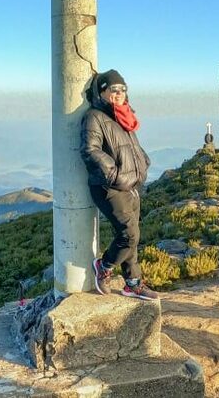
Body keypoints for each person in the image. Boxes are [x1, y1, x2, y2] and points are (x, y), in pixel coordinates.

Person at [81, 69, 158, 301]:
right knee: (129, 235)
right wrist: (115, 176)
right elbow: (90, 150)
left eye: (122, 89)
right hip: (109, 187)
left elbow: (133, 148)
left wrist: (144, 162)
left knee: (132, 236)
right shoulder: (95, 116)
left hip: (131, 184)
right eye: (113, 89)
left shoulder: (123, 115)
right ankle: (104, 266)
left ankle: (132, 283)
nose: (119, 93)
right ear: (101, 91)